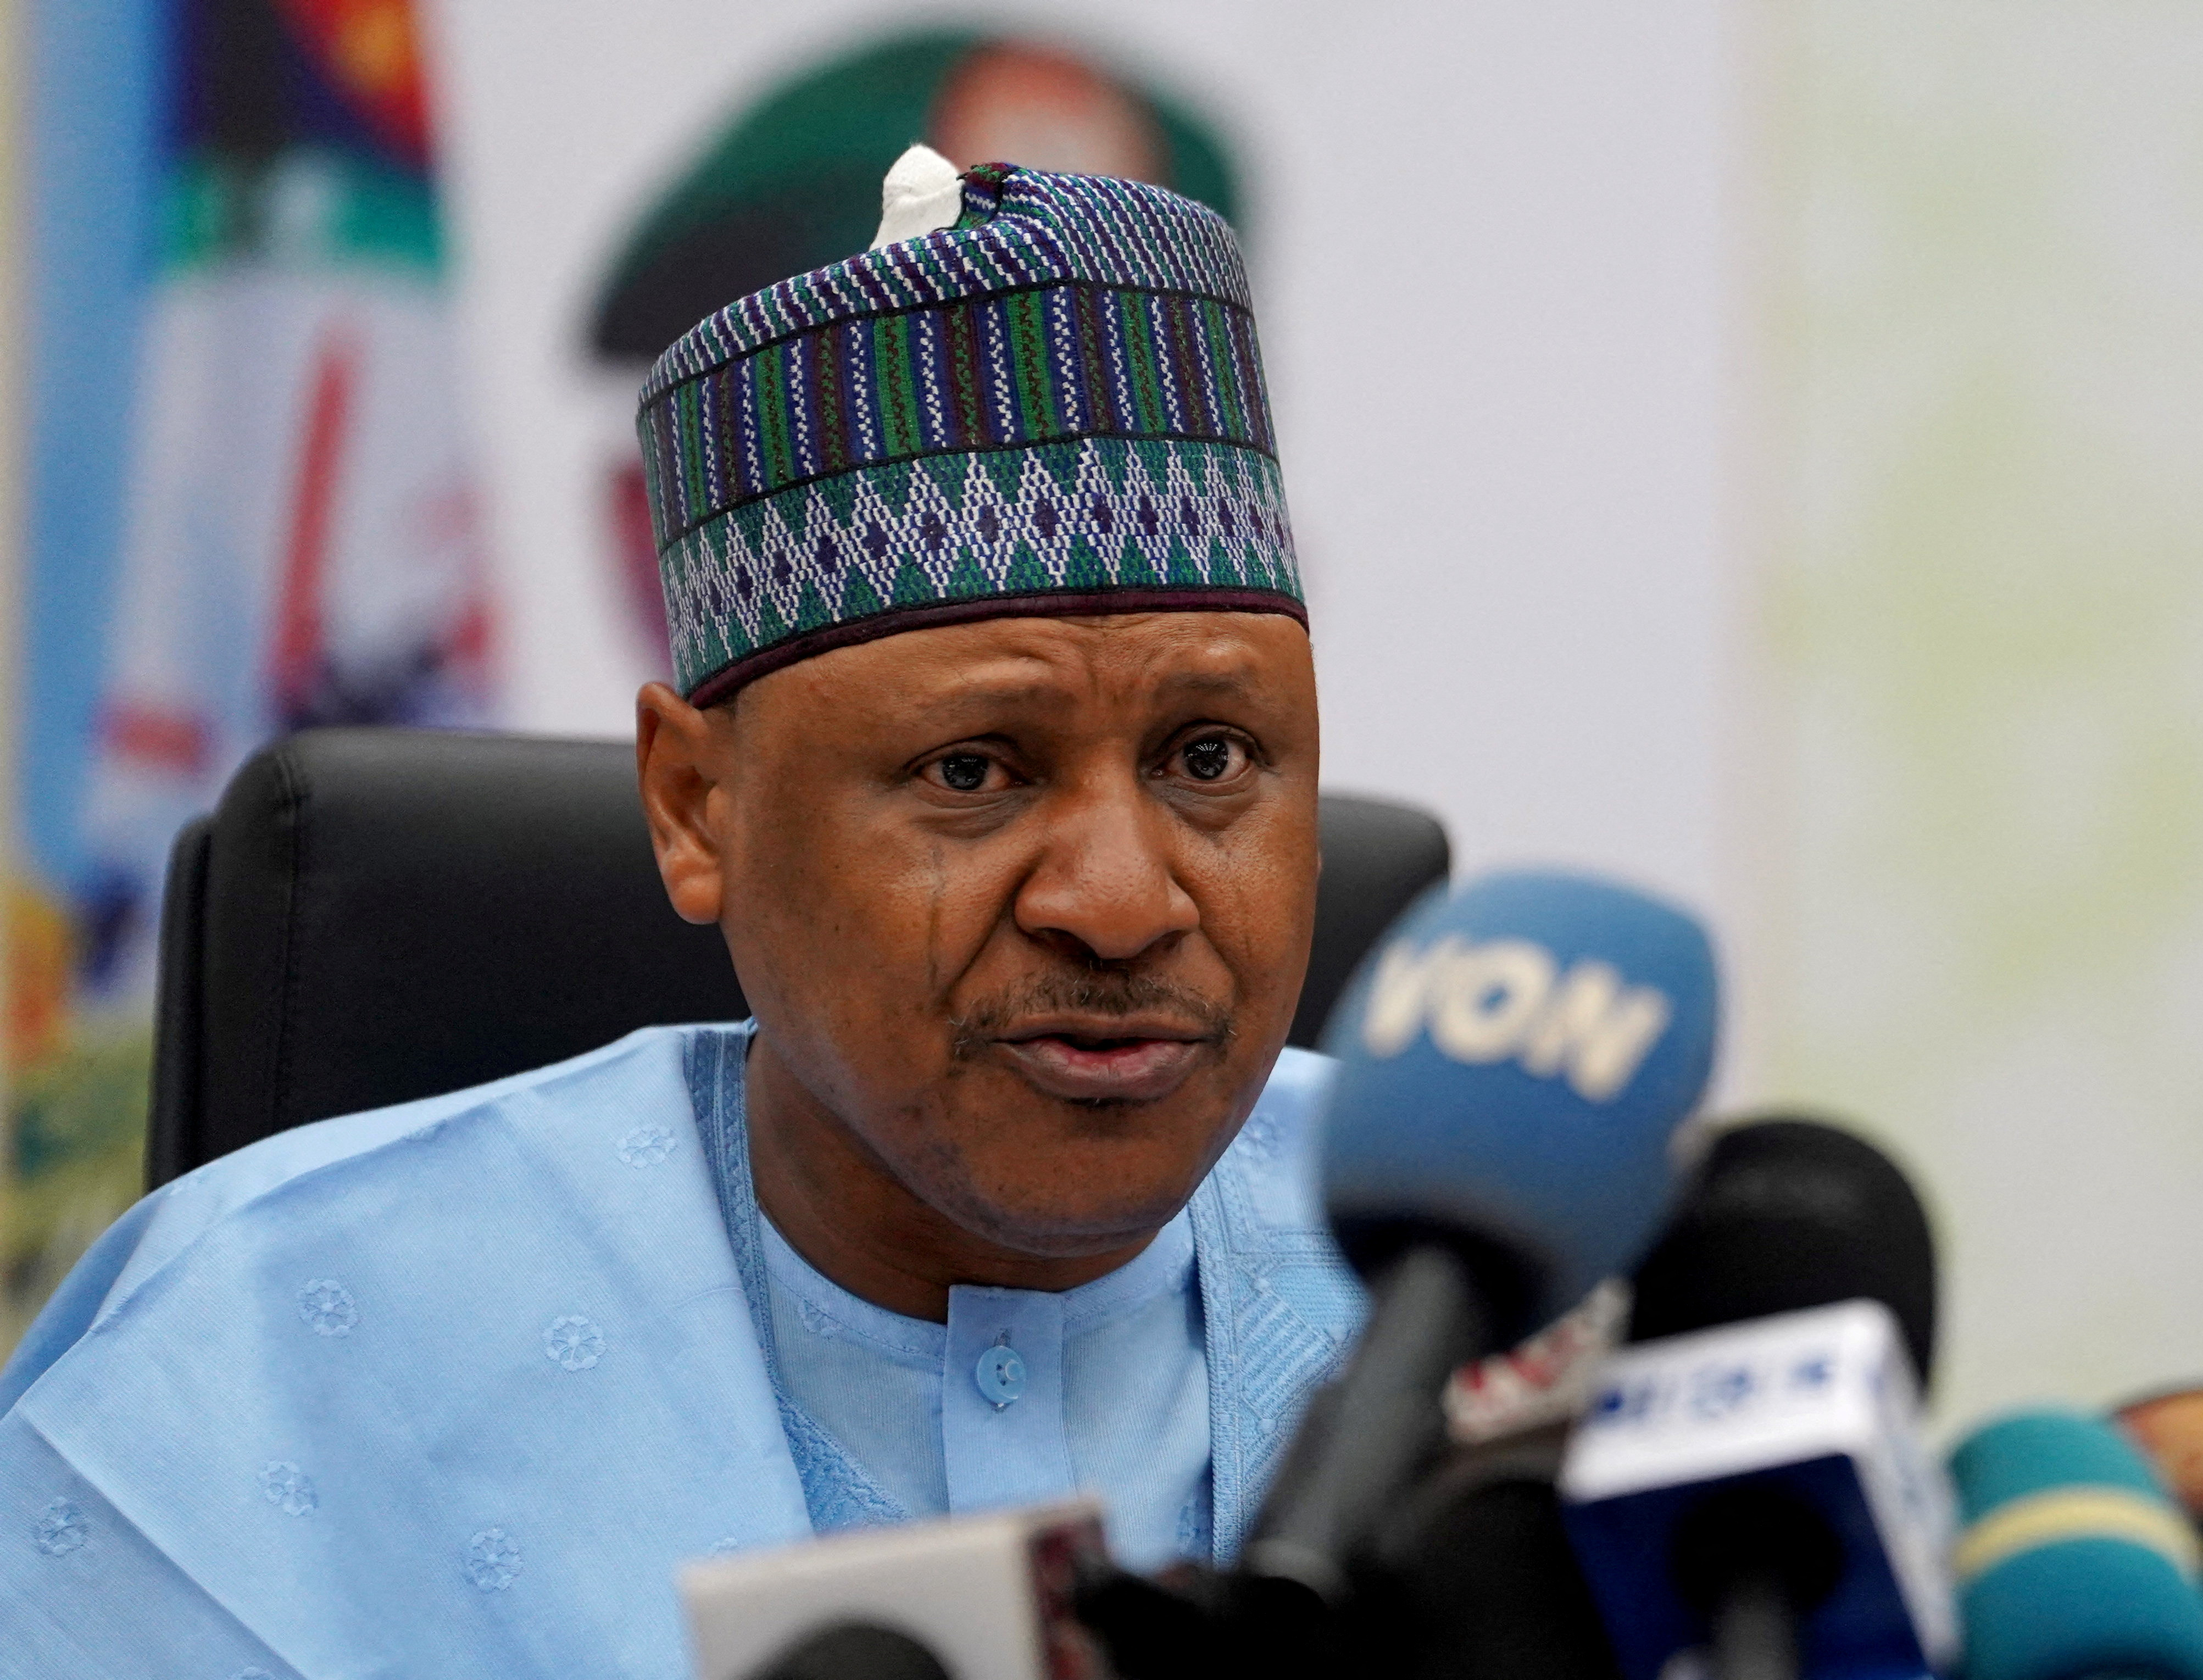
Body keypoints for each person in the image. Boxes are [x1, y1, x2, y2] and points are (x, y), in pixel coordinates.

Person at [0, 150, 1364, 1679]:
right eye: (973, 769)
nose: (1118, 903)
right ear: (696, 806)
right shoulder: (257, 1353)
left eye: (1209, 758)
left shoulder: (1507, 1300)